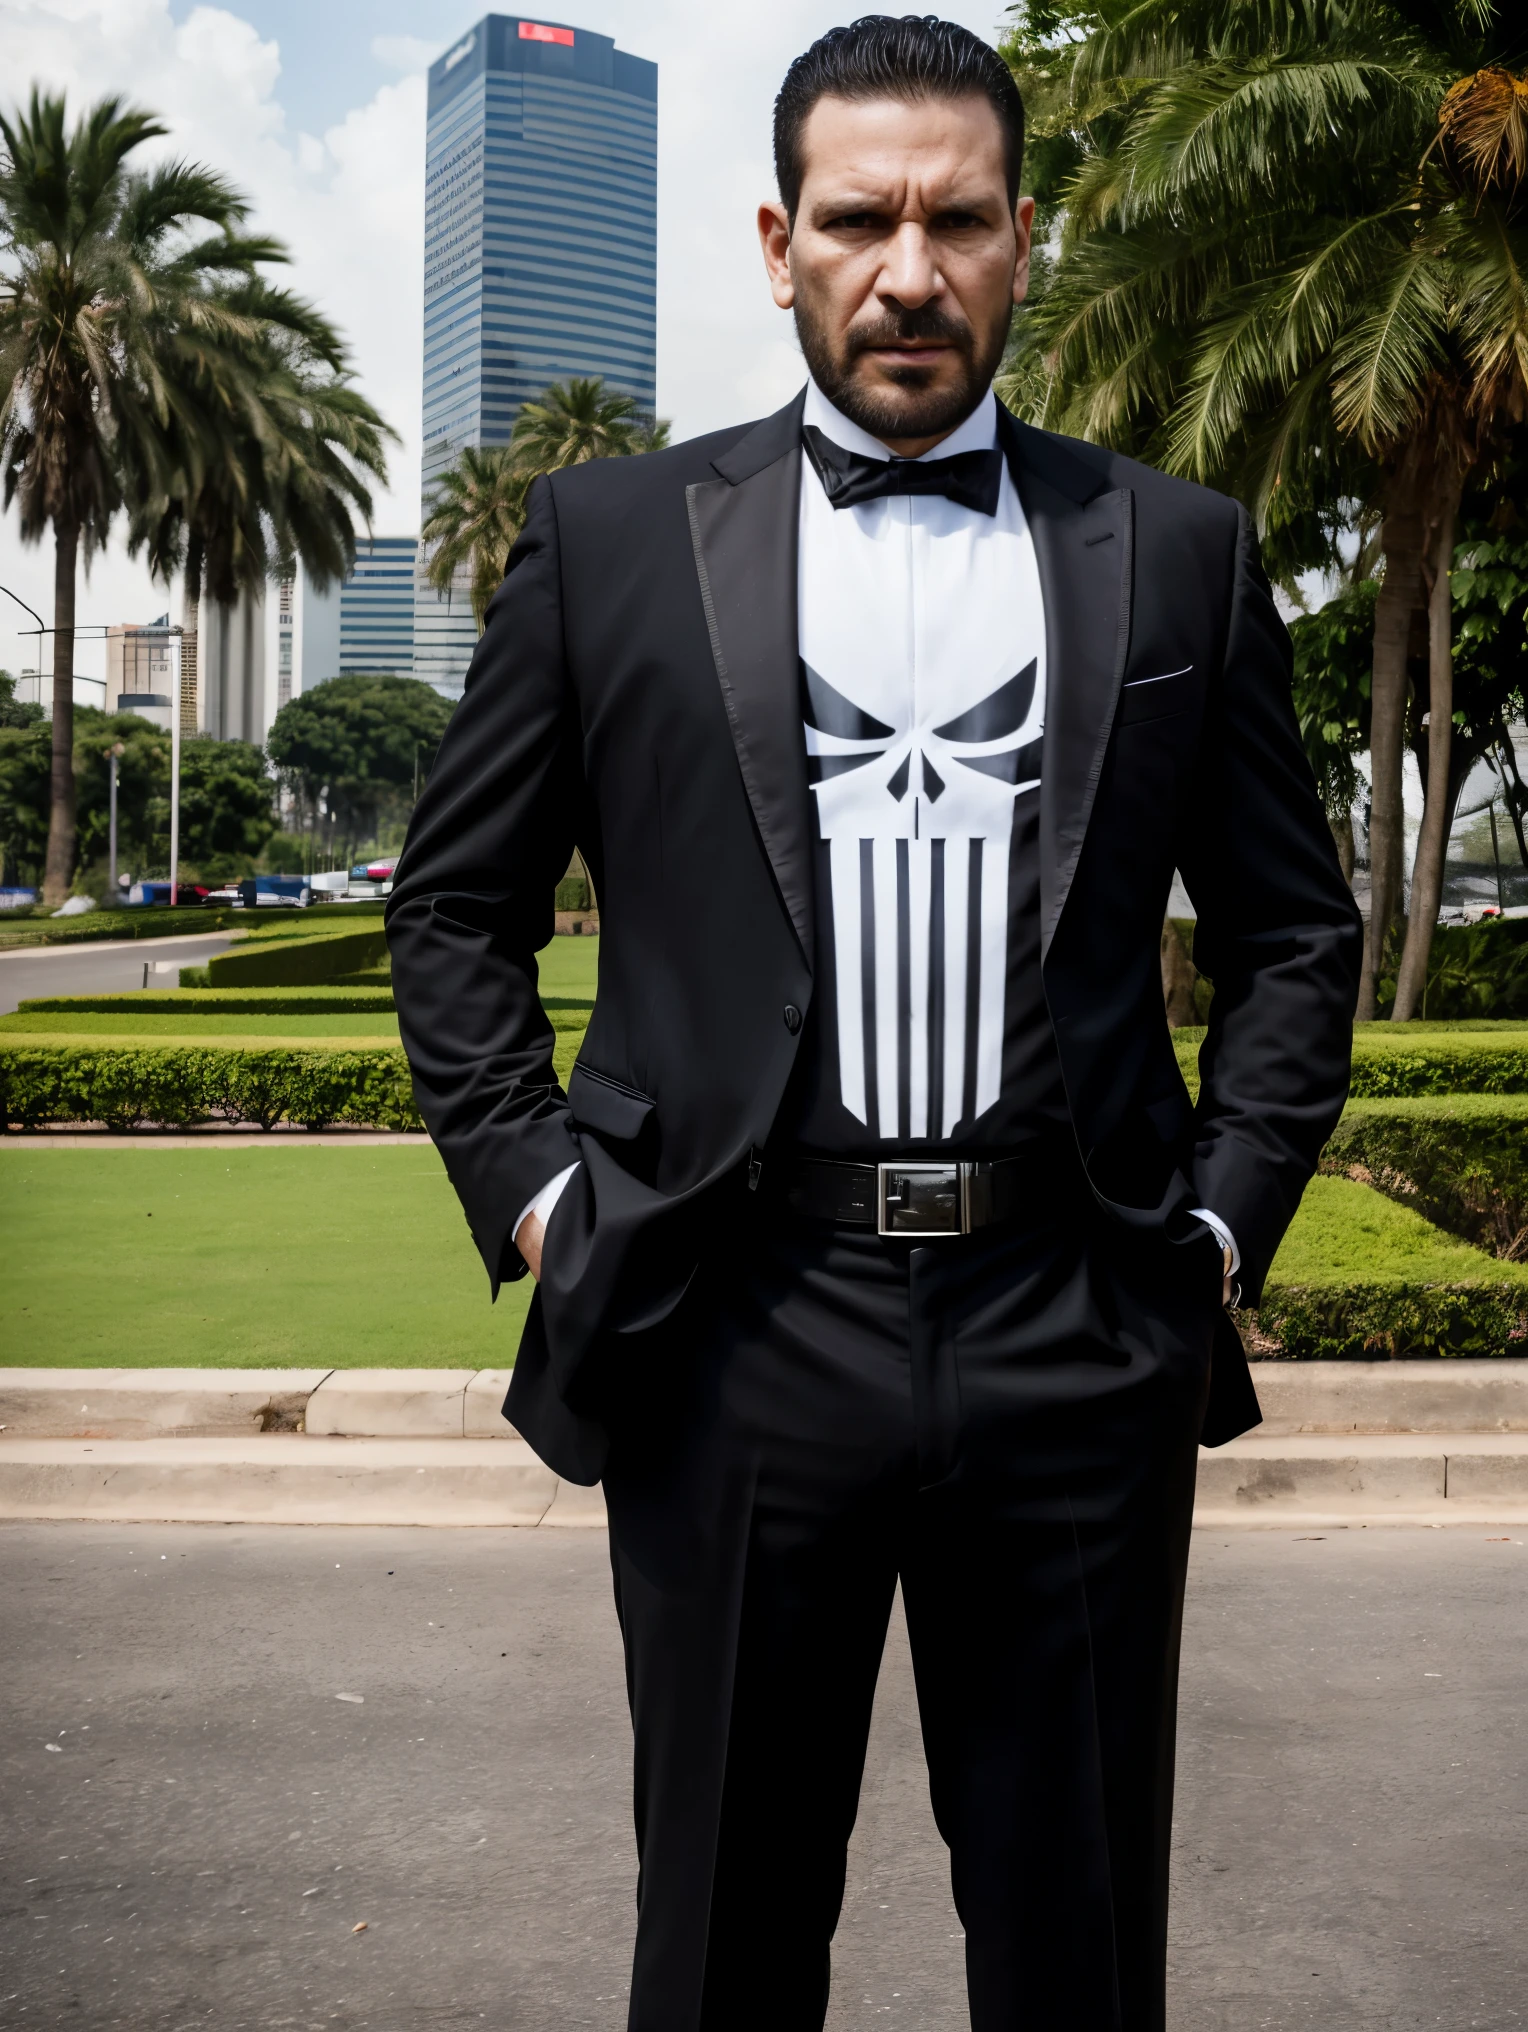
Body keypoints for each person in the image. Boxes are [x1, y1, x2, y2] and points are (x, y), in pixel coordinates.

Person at [386, 16, 1363, 2030]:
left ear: (1023, 242)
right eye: (857, 219)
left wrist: (1208, 1233)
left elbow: (1291, 928)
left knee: (1077, 1945)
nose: (903, 269)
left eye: (954, 219)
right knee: (724, 1939)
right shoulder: (611, 549)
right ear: (776, 240)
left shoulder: (1172, 551)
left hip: (1072, 1320)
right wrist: (544, 1200)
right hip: (727, 1319)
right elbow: (453, 908)